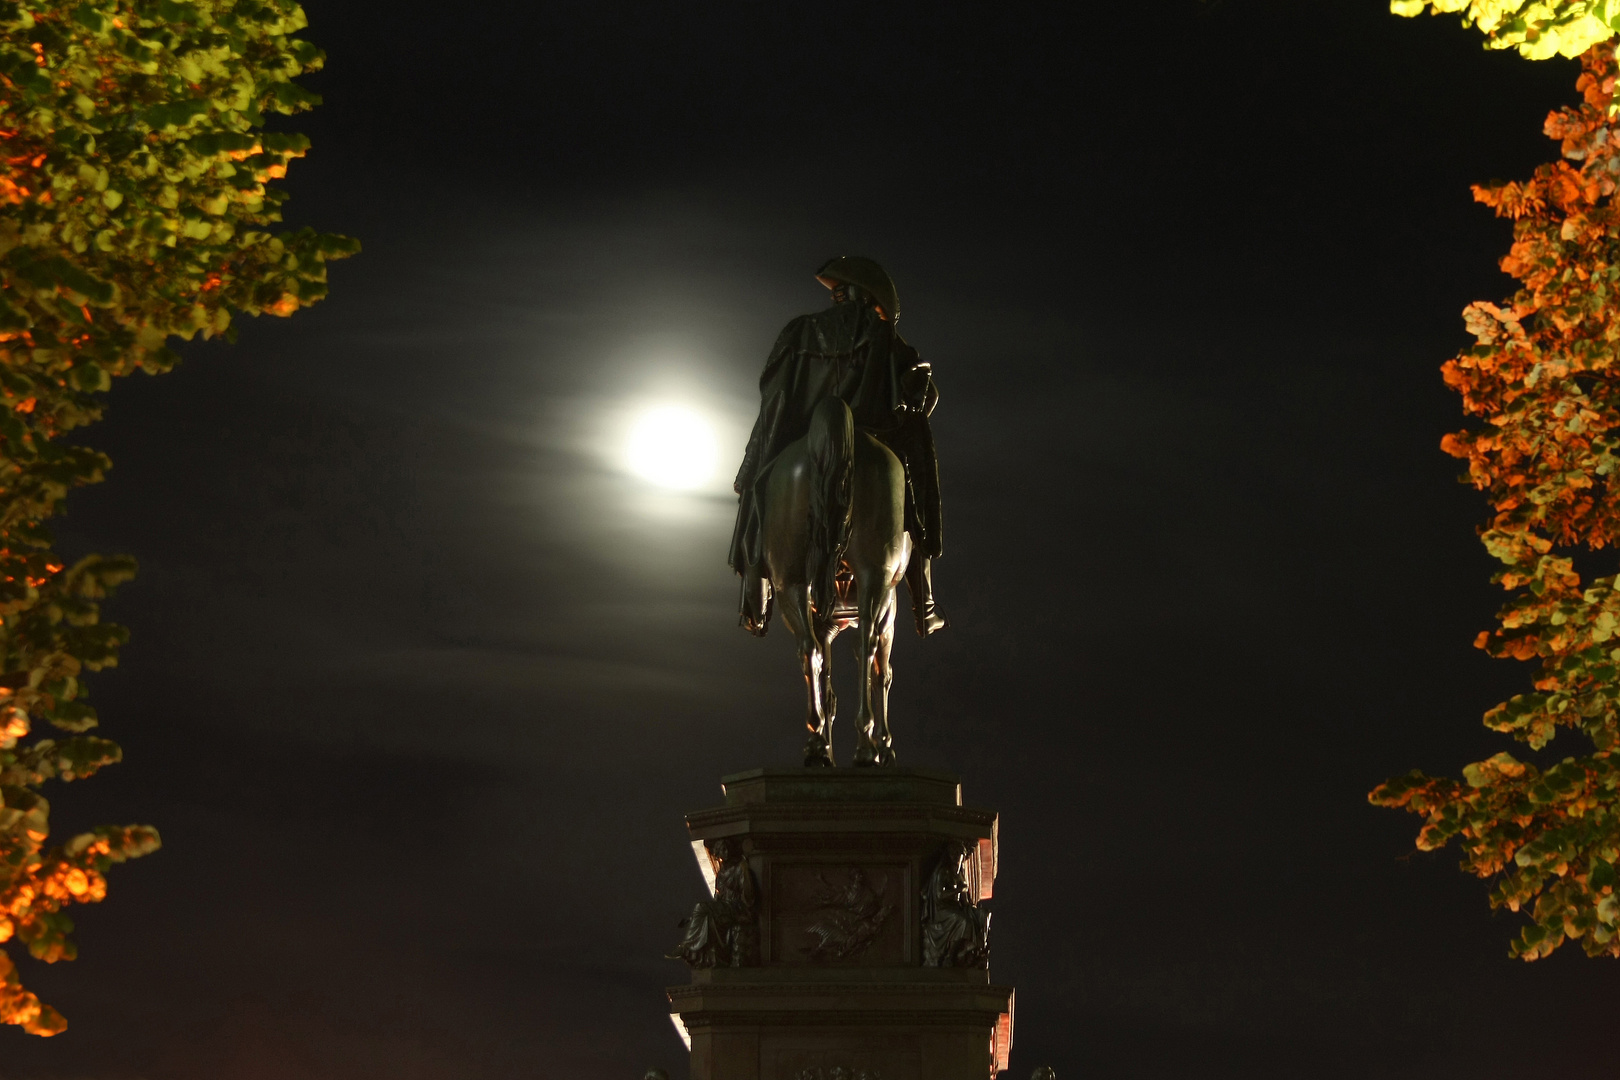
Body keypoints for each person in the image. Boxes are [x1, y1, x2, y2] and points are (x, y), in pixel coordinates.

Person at [729, 256, 947, 638]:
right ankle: (924, 602)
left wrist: (754, 460)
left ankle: (754, 595)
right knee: (913, 485)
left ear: (840, 295)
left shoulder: (800, 331)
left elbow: (774, 399)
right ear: (869, 296)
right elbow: (923, 398)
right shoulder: (883, 335)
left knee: (758, 492)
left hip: (803, 437)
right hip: (870, 432)